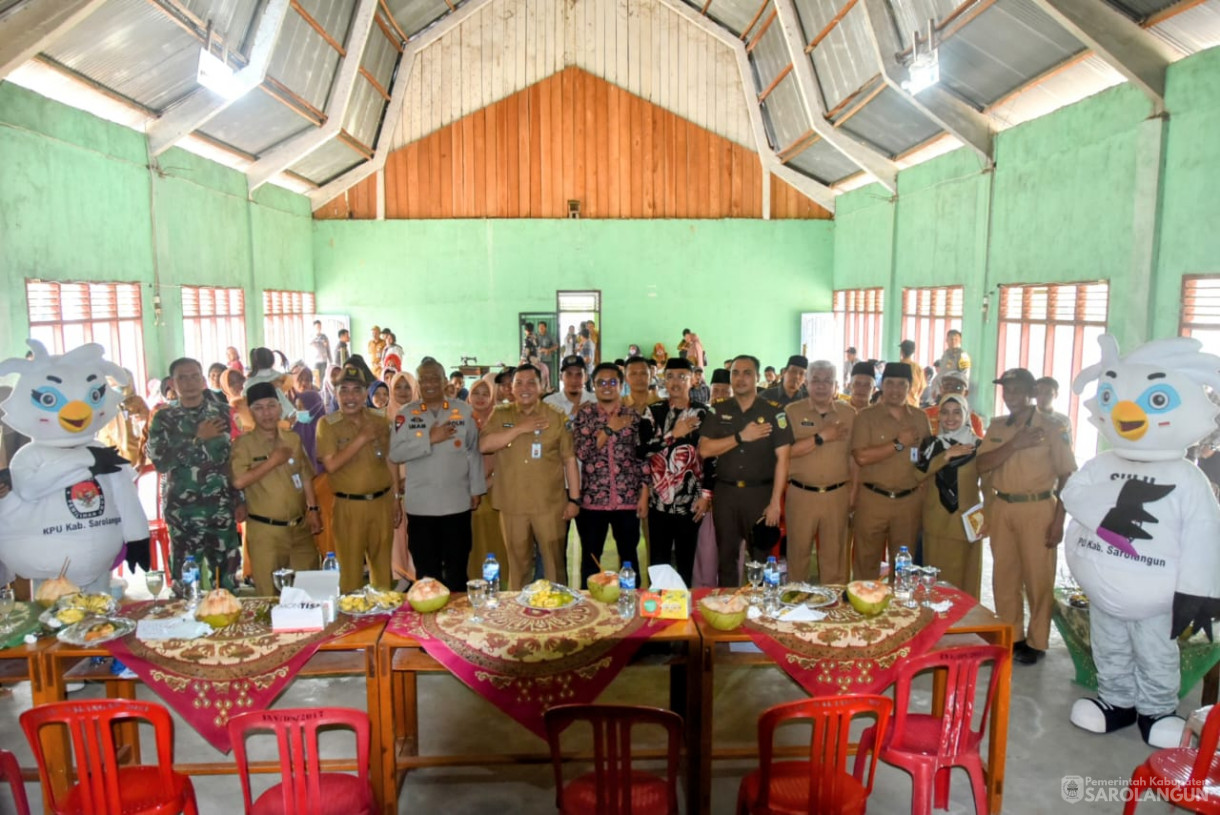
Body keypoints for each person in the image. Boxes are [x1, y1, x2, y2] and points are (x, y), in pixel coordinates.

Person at [977, 367, 1076, 665]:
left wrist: (1059, 520)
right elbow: (982, 464)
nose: (1011, 396)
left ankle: (1037, 640)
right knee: (1004, 575)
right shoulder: (997, 426)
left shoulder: (1052, 427)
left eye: (1017, 389)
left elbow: (1067, 475)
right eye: (1007, 390)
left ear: (1032, 393)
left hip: (1038, 509)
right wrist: (1014, 444)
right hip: (1002, 507)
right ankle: (1012, 635)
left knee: (1038, 577)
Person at [146, 358, 244, 589]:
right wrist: (197, 438)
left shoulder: (222, 412)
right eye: (182, 377)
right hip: (184, 513)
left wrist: (240, 499)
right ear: (172, 383)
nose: (189, 382)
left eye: (194, 376)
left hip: (221, 509)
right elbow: (160, 462)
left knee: (227, 581)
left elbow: (235, 459)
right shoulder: (164, 418)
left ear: (203, 380)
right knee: (185, 582)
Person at [479, 365, 579, 590]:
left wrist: (574, 499)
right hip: (512, 504)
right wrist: (518, 429)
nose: (525, 388)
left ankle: (557, 613)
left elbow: (569, 460)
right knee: (518, 565)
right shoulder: (501, 414)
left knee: (554, 565)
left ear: (542, 387)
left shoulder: (556, 417)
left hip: (550, 505)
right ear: (510, 389)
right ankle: (518, 614)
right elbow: (484, 445)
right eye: (519, 383)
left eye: (531, 383)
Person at [390, 358, 486, 593]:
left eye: (435, 378)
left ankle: (456, 621)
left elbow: (473, 451)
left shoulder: (463, 411)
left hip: (456, 504)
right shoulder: (406, 414)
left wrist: (476, 488)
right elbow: (395, 453)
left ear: (445, 381)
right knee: (426, 573)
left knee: (456, 570)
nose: (430, 383)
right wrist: (428, 439)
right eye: (424, 379)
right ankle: (427, 621)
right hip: (421, 507)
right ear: (418, 384)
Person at [699, 355, 793, 587]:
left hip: (759, 496)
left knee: (761, 560)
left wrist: (775, 503)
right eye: (736, 373)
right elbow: (704, 450)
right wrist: (741, 437)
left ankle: (759, 613)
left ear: (757, 377)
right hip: (726, 495)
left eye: (747, 373)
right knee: (726, 559)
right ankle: (727, 611)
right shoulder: (718, 411)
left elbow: (783, 459)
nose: (740, 378)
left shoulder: (774, 412)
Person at [316, 364, 402, 594]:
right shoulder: (327, 425)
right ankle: (351, 623)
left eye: (356, 390)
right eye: (344, 390)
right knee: (350, 573)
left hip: (382, 503)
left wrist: (395, 498)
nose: (350, 397)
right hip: (348, 506)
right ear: (336, 394)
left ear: (366, 394)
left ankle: (383, 619)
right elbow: (331, 464)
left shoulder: (380, 420)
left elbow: (390, 460)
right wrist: (362, 438)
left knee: (382, 569)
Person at [230, 382, 321, 596]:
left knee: (309, 591)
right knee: (269, 595)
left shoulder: (293, 439)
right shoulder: (243, 444)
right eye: (259, 408)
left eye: (271, 406)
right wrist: (272, 461)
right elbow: (238, 481)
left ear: (280, 407)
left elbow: (305, 476)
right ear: (250, 412)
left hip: (299, 528)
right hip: (266, 532)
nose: (266, 413)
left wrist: (314, 510)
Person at [849, 362, 932, 580]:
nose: (895, 390)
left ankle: (900, 612)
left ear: (910, 387)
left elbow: (928, 458)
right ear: (881, 385)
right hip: (872, 500)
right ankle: (865, 608)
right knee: (866, 562)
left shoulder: (920, 418)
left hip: (908, 502)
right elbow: (861, 457)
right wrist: (898, 444)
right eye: (890, 384)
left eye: (901, 384)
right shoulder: (866, 417)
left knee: (904, 567)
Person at [572, 362, 648, 587]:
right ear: (593, 386)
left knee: (629, 558)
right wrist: (608, 429)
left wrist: (643, 494)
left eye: (612, 382)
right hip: (593, 501)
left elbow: (642, 458)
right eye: (601, 382)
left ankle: (631, 604)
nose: (607, 387)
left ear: (621, 385)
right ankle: (589, 607)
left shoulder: (634, 417)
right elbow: (583, 452)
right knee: (591, 558)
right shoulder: (584, 415)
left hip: (627, 499)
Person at [640, 358, 712, 585]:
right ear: (663, 380)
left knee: (686, 562)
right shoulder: (653, 411)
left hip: (691, 502)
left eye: (682, 376)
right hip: (658, 502)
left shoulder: (704, 413)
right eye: (670, 376)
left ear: (693, 380)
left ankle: (684, 612)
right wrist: (673, 434)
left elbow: (711, 457)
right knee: (658, 563)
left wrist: (706, 495)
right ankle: (657, 612)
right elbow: (641, 451)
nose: (675, 382)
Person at [785, 360, 856, 585]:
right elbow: (786, 453)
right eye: (816, 380)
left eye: (827, 381)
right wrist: (822, 436)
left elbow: (854, 458)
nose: (821, 386)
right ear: (806, 383)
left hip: (837, 496)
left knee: (834, 557)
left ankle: (833, 609)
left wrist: (853, 494)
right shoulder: (792, 412)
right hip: (801, 495)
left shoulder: (849, 413)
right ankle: (795, 603)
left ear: (836, 385)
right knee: (798, 554)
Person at [914, 394, 983, 598]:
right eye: (945, 412)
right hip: (936, 520)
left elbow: (988, 484)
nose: (950, 417)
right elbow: (917, 474)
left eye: (956, 412)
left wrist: (990, 516)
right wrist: (946, 456)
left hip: (967, 521)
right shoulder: (931, 445)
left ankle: (965, 624)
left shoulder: (978, 446)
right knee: (936, 579)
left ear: (966, 414)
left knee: (966, 578)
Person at [466, 376, 508, 578]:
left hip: (494, 488)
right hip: (464, 489)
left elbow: (506, 458)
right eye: (476, 393)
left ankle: (496, 580)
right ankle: (473, 579)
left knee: (495, 537)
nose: (480, 398)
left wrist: (486, 482)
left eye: (485, 394)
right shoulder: (460, 421)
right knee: (471, 539)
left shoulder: (499, 421)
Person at [924, 371, 986, 437]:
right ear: (941, 390)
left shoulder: (974, 420)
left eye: (958, 388)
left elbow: (981, 446)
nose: (951, 391)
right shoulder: (926, 415)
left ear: (966, 393)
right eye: (947, 387)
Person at [898, 340, 927, 407]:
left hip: (899, 404)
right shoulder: (918, 368)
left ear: (902, 351)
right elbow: (922, 387)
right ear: (913, 352)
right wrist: (915, 398)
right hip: (914, 405)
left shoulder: (897, 367)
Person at [537, 321, 557, 390]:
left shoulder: (550, 336)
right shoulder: (536, 336)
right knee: (538, 375)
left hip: (547, 359)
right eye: (539, 327)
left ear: (545, 327)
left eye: (542, 327)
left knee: (548, 375)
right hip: (538, 360)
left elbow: (556, 346)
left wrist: (549, 350)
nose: (541, 328)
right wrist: (541, 350)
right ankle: (539, 390)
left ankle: (548, 389)